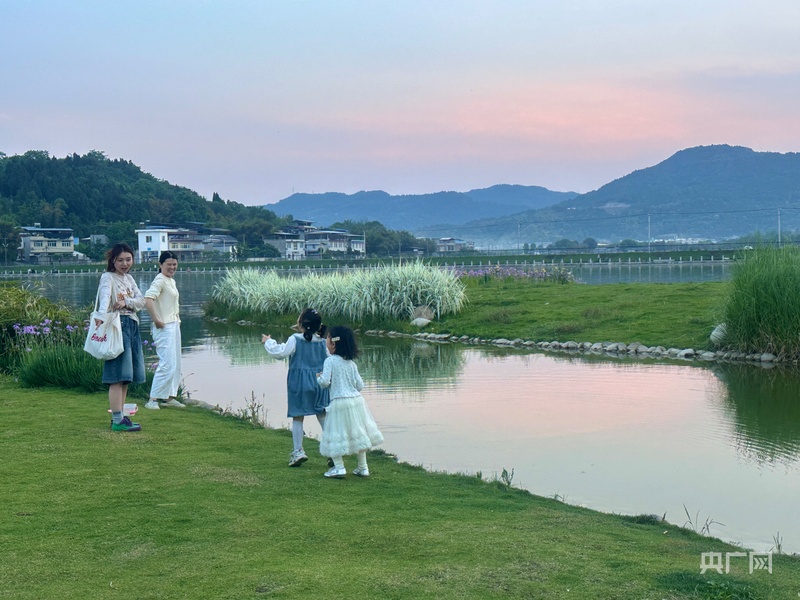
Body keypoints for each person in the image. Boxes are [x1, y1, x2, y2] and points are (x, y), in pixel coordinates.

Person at [262, 308, 330, 466]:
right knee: (322, 414)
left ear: (301, 323)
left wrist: (268, 341)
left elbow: (280, 352)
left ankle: (298, 451)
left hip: (299, 382)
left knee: (298, 416)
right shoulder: (322, 342)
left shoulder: (295, 339)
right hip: (319, 381)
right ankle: (332, 450)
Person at [316, 325, 383, 478]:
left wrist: (318, 377)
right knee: (358, 433)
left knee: (335, 434)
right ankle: (363, 467)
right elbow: (360, 385)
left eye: (327, 338)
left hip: (339, 402)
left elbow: (325, 382)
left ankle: (339, 467)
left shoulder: (330, 361)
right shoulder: (351, 364)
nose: (326, 341)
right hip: (356, 402)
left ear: (333, 343)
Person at [97, 242, 146, 432]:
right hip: (117, 326)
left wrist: (126, 302)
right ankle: (117, 419)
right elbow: (104, 299)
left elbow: (141, 301)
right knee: (117, 375)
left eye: (128, 259)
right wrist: (101, 318)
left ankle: (122, 417)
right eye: (120, 260)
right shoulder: (108, 277)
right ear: (113, 261)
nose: (125, 264)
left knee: (126, 376)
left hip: (131, 325)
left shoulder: (129, 279)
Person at [144, 251, 184, 409]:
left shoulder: (170, 280)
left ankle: (168, 397)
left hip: (174, 324)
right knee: (166, 363)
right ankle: (152, 399)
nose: (172, 267)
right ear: (160, 265)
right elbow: (148, 299)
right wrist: (156, 319)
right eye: (169, 264)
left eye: (174, 264)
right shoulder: (160, 280)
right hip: (164, 326)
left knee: (175, 363)